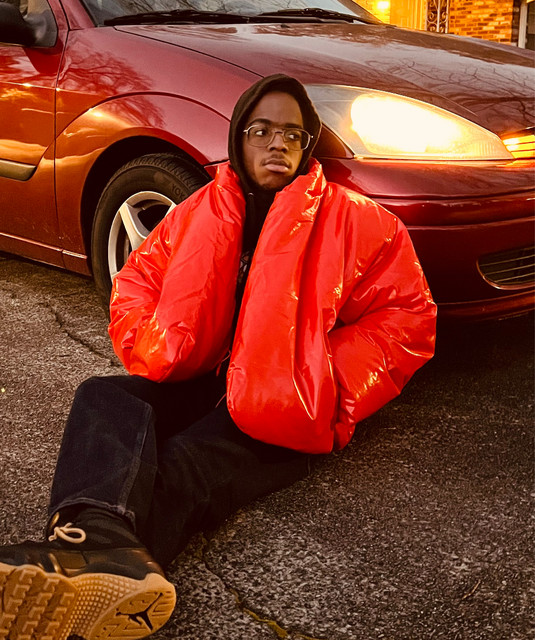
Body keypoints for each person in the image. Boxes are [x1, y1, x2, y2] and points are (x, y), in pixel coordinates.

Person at [0, 75, 436, 640]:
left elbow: (407, 316)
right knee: (105, 398)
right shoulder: (198, 210)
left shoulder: (361, 222)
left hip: (282, 406)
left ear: (308, 145)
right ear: (238, 138)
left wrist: (322, 380)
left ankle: (83, 561)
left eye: (292, 134)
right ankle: (99, 548)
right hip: (206, 374)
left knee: (185, 462)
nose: (277, 143)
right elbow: (137, 280)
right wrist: (156, 345)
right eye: (261, 130)